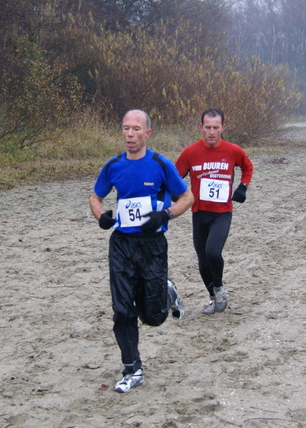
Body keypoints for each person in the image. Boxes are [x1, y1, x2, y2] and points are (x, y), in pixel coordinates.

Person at [89, 109, 194, 393]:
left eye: (136, 129)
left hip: (152, 246)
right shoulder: (113, 166)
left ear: (147, 133)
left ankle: (168, 292)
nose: (130, 134)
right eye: (126, 129)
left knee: (154, 317)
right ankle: (132, 369)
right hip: (122, 245)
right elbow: (95, 197)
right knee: (123, 311)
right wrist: (101, 217)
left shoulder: (160, 164)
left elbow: (187, 196)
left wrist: (167, 214)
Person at [175, 109, 254, 315]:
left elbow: (248, 168)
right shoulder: (190, 152)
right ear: (201, 128)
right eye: (207, 127)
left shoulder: (233, 150)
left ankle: (219, 288)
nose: (211, 132)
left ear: (223, 128)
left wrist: (242, 187)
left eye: (216, 128)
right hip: (199, 213)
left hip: (221, 213)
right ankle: (213, 297)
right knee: (202, 261)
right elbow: (175, 178)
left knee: (213, 252)